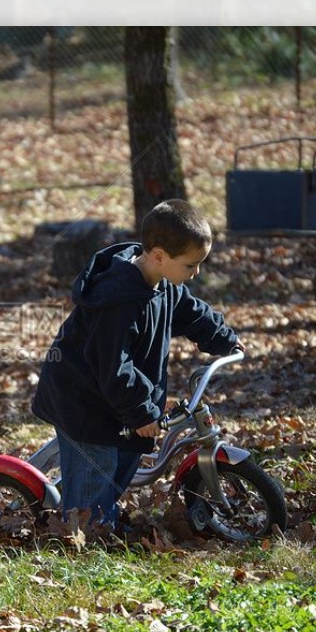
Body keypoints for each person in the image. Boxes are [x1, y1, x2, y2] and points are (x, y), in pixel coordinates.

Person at [31, 199, 242, 527]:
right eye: (191, 265)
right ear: (159, 255)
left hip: (115, 400)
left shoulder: (162, 282)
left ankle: (101, 510)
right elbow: (113, 365)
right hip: (85, 402)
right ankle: (87, 533)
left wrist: (223, 338)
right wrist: (141, 411)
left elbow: (189, 310)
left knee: (125, 460)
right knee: (96, 473)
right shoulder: (117, 302)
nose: (196, 272)